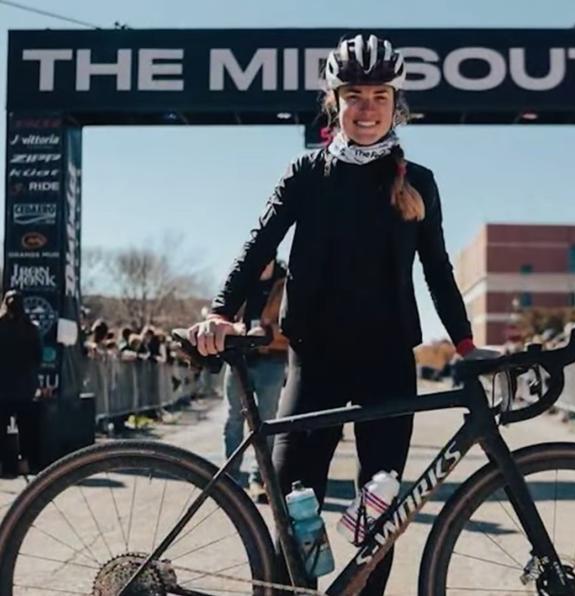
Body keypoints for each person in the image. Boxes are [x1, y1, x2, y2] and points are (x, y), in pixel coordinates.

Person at [188, 33, 477, 594]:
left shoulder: (418, 182)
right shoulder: (306, 173)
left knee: (381, 511)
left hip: (389, 361)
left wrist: (466, 346)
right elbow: (258, 243)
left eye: (379, 96)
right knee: (298, 507)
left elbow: (438, 270)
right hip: (313, 359)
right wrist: (221, 311)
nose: (366, 109)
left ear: (396, 105)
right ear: (334, 101)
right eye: (354, 95)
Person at [223, 257, 289, 500]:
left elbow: (296, 322)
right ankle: (230, 477)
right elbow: (223, 312)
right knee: (233, 418)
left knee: (267, 420)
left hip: (271, 359)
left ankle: (259, 479)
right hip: (239, 357)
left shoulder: (285, 282)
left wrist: (268, 331)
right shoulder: (241, 278)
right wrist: (235, 328)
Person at [0, 290, 43, 476]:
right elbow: (38, 357)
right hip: (25, 385)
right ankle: (24, 463)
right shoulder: (31, 329)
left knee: (0, 427)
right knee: (27, 427)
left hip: (2, 385)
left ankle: (2, 464)